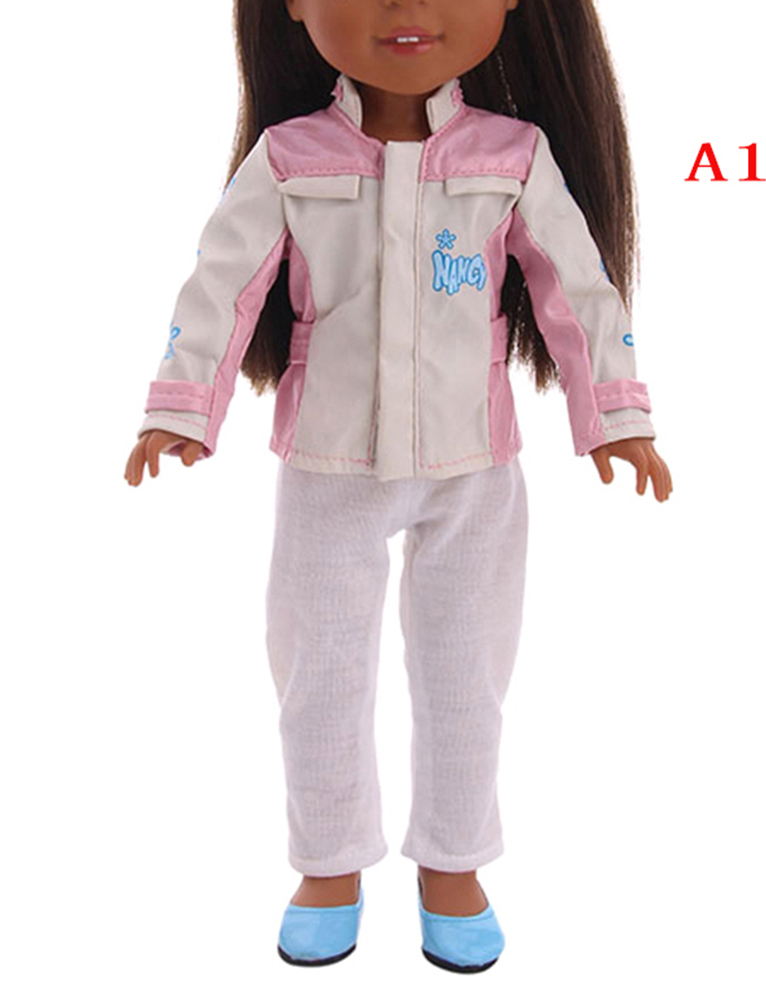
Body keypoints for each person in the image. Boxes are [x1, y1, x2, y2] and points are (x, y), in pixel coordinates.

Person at [124, 0, 672, 973]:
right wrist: (182, 404)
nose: (408, 7)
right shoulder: (291, 157)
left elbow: (577, 288)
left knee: (467, 678)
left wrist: (616, 413)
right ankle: (328, 865)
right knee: (317, 676)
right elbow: (220, 284)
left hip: (474, 467)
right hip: (327, 465)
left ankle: (454, 865)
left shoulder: (511, 156)